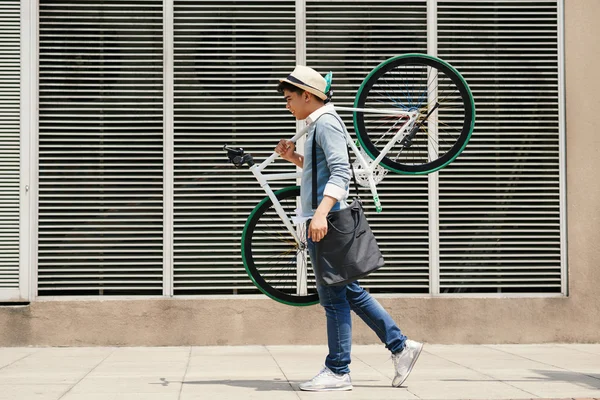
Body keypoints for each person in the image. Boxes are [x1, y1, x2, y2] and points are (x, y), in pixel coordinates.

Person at [274, 65, 424, 392]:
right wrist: (295, 158)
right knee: (347, 291)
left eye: (290, 98)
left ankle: (338, 370)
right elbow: (322, 169)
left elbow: (341, 173)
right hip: (326, 218)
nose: (287, 104)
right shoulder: (318, 123)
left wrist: (320, 215)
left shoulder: (325, 123)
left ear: (308, 95)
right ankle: (401, 347)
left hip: (329, 221)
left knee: (334, 300)